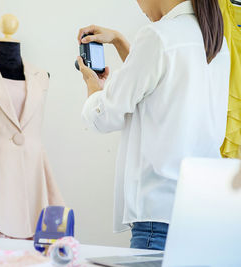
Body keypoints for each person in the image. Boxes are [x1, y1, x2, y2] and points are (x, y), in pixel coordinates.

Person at [78, 0, 230, 250]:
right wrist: (119, 41)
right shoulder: (215, 40)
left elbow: (104, 116)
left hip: (157, 221)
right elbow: (157, 87)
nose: (138, 3)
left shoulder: (157, 37)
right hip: (199, 215)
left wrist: (93, 86)